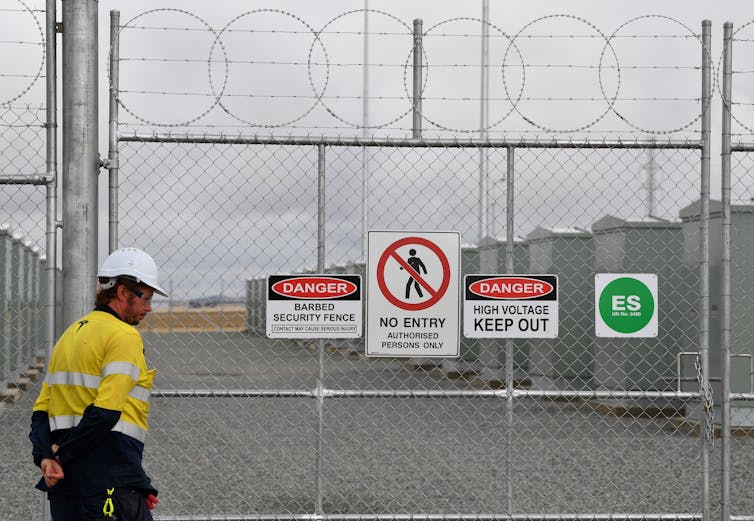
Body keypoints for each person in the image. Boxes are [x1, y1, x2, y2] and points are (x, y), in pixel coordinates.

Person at [29, 247, 167, 521]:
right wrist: (60, 457)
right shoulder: (124, 336)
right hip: (109, 483)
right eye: (146, 298)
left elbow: (40, 412)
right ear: (123, 292)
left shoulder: (69, 334)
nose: (149, 308)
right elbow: (106, 412)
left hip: (67, 488)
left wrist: (47, 457)